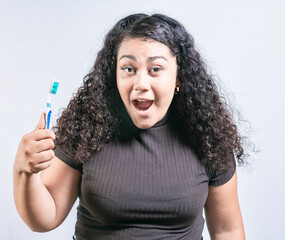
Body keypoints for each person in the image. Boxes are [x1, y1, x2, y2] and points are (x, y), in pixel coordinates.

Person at [13, 13, 246, 240]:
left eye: (155, 69)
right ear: (114, 74)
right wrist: (24, 171)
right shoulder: (86, 129)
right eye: (128, 69)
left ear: (178, 77)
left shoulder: (208, 138)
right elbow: (43, 219)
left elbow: (227, 230)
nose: (141, 83)